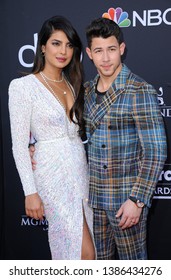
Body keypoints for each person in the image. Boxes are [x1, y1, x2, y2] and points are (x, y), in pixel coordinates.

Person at [8, 15, 95, 260]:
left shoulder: (74, 84)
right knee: (81, 252)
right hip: (51, 174)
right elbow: (18, 145)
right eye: (56, 43)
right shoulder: (23, 87)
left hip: (80, 172)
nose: (63, 51)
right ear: (43, 47)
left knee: (90, 252)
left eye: (69, 45)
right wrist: (30, 192)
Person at [83, 17, 167, 259]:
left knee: (133, 268)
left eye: (111, 49)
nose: (106, 58)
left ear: (122, 49)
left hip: (125, 201)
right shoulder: (86, 91)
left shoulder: (139, 89)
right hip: (94, 199)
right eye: (99, 51)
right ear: (89, 53)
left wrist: (137, 200)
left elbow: (155, 150)